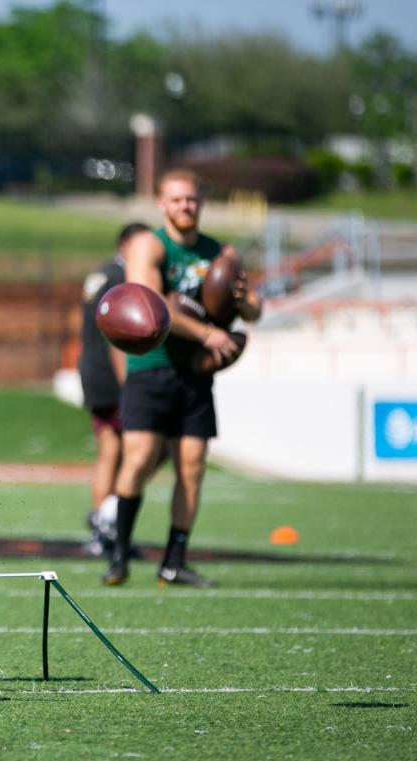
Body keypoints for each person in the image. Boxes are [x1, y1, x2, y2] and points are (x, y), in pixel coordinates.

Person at [103, 168, 261, 588]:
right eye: (176, 200)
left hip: (195, 373)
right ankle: (118, 555)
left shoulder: (219, 252)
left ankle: (174, 561)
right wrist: (209, 333)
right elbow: (152, 307)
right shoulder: (149, 246)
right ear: (161, 203)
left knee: (192, 467)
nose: (185, 206)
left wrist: (245, 305)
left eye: (191, 199)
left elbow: (254, 309)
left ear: (201, 202)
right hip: (150, 367)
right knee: (137, 459)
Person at [78, 222, 149, 556]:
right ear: (126, 245)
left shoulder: (99, 274)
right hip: (112, 373)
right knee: (124, 453)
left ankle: (102, 531)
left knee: (110, 451)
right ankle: (105, 524)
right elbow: (117, 336)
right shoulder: (122, 278)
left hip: (92, 372)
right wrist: (129, 383)